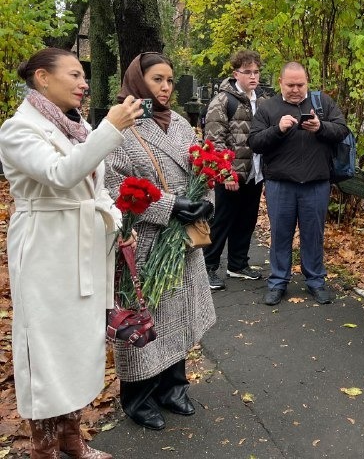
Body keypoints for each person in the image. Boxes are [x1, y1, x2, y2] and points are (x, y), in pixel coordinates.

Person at [0, 47, 142, 458]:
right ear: (42, 78)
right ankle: (44, 449)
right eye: (74, 74)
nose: (83, 83)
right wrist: (111, 128)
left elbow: (94, 187)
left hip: (85, 247)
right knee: (46, 346)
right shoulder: (17, 129)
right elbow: (61, 175)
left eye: (83, 76)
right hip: (45, 248)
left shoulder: (76, 126)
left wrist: (117, 223)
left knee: (79, 343)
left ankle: (72, 439)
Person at [105, 52, 217, 431]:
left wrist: (204, 201)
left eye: (169, 80)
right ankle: (138, 397)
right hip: (145, 240)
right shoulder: (120, 125)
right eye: (157, 79)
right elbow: (113, 186)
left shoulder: (182, 123)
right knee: (146, 317)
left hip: (183, 241)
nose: (166, 87)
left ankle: (173, 387)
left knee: (179, 314)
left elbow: (203, 167)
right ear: (138, 81)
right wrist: (171, 206)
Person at [248, 62, 349, 306]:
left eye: (300, 85)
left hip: (316, 183)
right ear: (280, 83)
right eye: (290, 85)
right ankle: (277, 283)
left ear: (307, 82)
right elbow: (254, 142)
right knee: (280, 235)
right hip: (280, 184)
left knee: (313, 235)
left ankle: (315, 281)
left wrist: (320, 127)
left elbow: (342, 130)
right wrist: (278, 129)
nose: (295, 90)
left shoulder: (322, 103)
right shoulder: (268, 107)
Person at [203, 49, 269, 290]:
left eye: (256, 72)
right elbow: (214, 140)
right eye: (247, 72)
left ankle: (238, 264)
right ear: (235, 74)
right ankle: (208, 267)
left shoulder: (262, 101)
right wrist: (226, 173)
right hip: (231, 174)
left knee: (246, 220)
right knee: (222, 221)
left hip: (255, 172)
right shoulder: (223, 101)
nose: (253, 76)